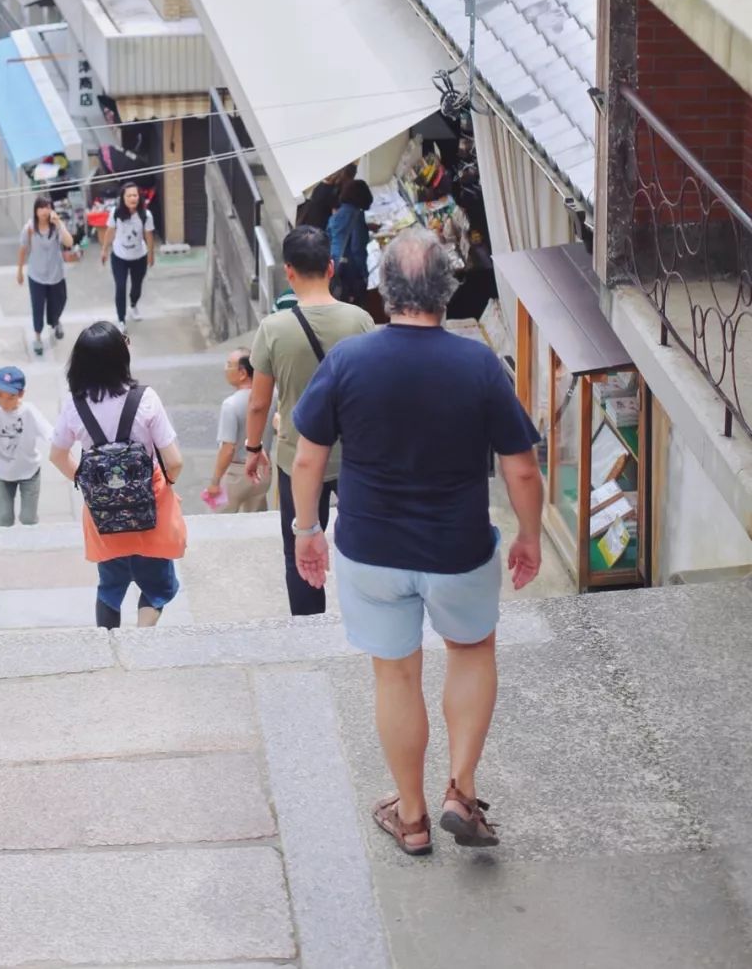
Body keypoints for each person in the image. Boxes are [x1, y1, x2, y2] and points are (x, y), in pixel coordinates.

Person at [291, 228, 543, 854]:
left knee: (396, 675)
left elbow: (306, 461)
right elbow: (521, 467)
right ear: (447, 289)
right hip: (457, 547)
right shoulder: (478, 363)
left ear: (383, 289)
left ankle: (411, 817)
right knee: (472, 650)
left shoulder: (349, 359)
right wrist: (530, 534)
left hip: (371, 548)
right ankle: (461, 788)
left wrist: (307, 531)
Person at [245, 226, 374, 616]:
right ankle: (367, 613)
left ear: (289, 272)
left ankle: (308, 625)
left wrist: (254, 448)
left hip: (296, 454)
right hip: (355, 455)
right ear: (331, 268)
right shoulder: (361, 321)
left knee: (300, 542)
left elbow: (258, 403)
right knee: (364, 540)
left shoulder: (273, 329)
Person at [50, 322, 185, 628]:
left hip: (103, 516)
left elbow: (57, 455)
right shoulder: (145, 399)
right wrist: (166, 485)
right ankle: (142, 635)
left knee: (110, 588)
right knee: (159, 584)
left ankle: (109, 642)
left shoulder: (75, 405)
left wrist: (84, 482)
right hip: (149, 508)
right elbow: (174, 461)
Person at [204, 350, 272, 514]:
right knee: (257, 521)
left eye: (229, 365)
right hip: (263, 470)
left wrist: (215, 481)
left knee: (220, 522)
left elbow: (228, 449)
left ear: (242, 373)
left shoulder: (231, 405)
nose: (225, 369)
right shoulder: (272, 396)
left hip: (237, 474)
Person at [0, 364, 51, 527]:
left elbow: (49, 432)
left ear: (20, 394)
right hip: (4, 474)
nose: (3, 401)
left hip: (29, 472)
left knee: (28, 518)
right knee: (3, 518)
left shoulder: (28, 412)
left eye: (10, 397)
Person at [17, 195, 73, 356]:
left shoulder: (56, 227)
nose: (44, 211)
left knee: (60, 301)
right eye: (41, 207)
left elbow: (69, 243)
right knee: (38, 306)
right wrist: (19, 270)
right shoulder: (29, 228)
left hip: (56, 274)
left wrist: (59, 223)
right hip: (37, 275)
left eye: (47, 207)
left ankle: (55, 321)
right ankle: (37, 337)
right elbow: (22, 249)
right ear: (35, 210)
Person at [102, 181, 155, 334]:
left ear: (139, 197)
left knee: (136, 286)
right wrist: (104, 250)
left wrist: (151, 255)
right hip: (119, 256)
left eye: (135, 195)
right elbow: (110, 232)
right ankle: (121, 319)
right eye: (129, 195)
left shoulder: (146, 215)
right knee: (120, 287)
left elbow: (149, 236)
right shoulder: (116, 213)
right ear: (123, 198)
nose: (133, 198)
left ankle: (133, 305)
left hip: (139, 256)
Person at [329, 178, 374, 305]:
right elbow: (357, 248)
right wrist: (364, 274)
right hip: (350, 271)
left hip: (335, 267)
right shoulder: (357, 217)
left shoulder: (336, 215)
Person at [297, 162, 357, 231]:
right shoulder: (332, 191)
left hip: (310, 226)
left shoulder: (322, 185)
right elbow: (338, 219)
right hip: (319, 228)